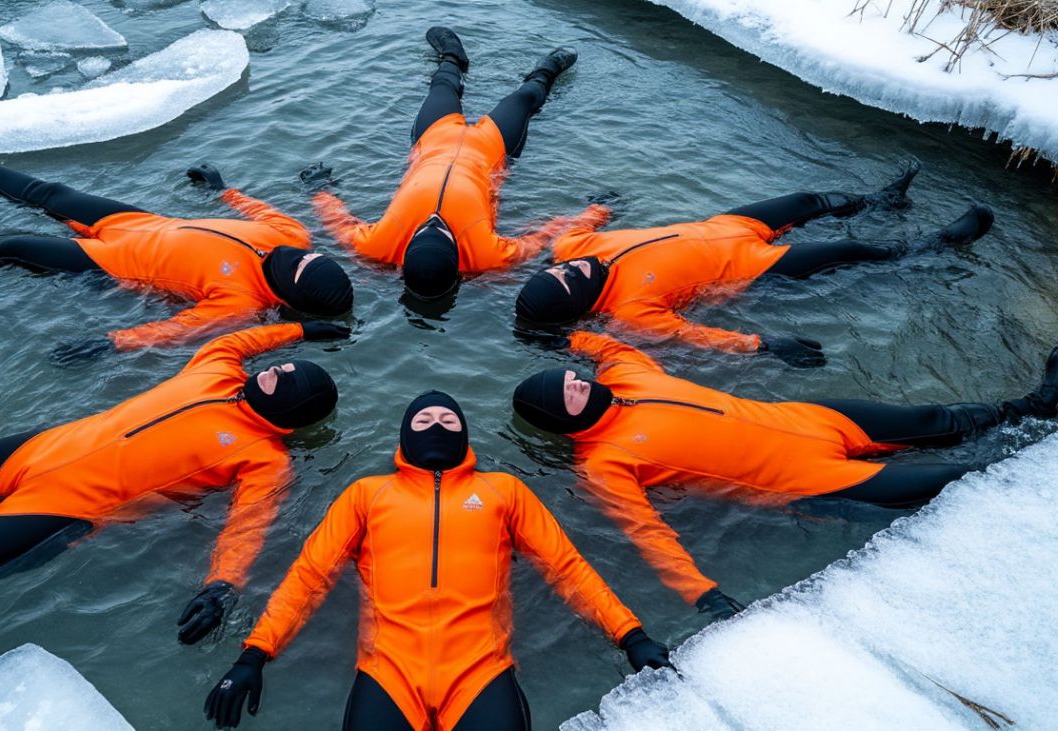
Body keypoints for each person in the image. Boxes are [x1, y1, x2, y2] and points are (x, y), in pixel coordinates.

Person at [0, 323, 348, 675]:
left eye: (286, 379)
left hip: (65, 508)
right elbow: (236, 338)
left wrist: (222, 586)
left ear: (292, 416)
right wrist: (300, 330)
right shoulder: (217, 372)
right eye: (280, 367)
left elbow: (248, 525)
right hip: (36, 451)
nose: (274, 371)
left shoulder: (264, 458)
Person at [203, 391, 671, 730]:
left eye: (448, 420)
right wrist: (254, 654)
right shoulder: (367, 494)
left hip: (481, 668)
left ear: (465, 434)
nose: (436, 425)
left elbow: (567, 568)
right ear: (405, 433)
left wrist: (630, 635)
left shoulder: (502, 491)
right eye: (424, 419)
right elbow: (309, 577)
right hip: (387, 669)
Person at [512, 331, 1058, 620]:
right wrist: (701, 594)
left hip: (813, 419)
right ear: (561, 421)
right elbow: (648, 534)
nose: (579, 384)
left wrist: (567, 337)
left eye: (574, 379)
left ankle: (1035, 406)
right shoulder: (604, 464)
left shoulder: (630, 376)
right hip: (809, 480)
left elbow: (612, 346)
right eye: (569, 392)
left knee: (933, 421)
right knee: (963, 479)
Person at [0, 101, 353, 361]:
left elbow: (176, 330)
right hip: (137, 222)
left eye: (298, 270)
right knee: (48, 193)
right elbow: (262, 213)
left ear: (288, 295)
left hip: (108, 263)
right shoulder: (291, 237)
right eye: (308, 258)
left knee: (10, 246)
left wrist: (114, 342)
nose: (294, 257)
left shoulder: (241, 304)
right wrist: (223, 191)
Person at [514, 162, 996, 368]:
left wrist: (599, 207)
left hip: (727, 224)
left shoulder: (573, 249)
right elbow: (695, 336)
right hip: (754, 263)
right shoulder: (631, 311)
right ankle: (936, 245)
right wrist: (764, 345)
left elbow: (576, 225)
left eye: (552, 273)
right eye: (563, 284)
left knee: (808, 200)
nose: (563, 271)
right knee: (850, 252)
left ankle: (881, 201)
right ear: (579, 305)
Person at [310, 27, 595, 301]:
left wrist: (319, 187)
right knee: (525, 98)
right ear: (457, 259)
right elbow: (547, 235)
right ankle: (546, 70)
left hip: (433, 138)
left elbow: (338, 222)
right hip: (491, 147)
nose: (434, 220)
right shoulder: (488, 255)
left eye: (424, 228)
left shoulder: (378, 245)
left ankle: (453, 56)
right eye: (443, 231)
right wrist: (599, 211)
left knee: (442, 84)